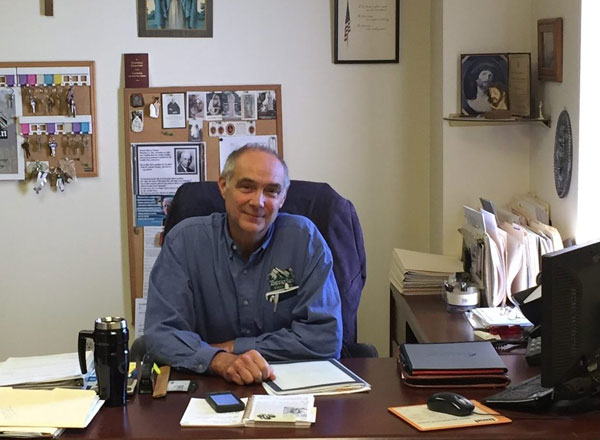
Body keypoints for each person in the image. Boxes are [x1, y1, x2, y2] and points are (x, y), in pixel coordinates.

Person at [145, 145, 342, 385]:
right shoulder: (184, 242)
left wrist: (234, 348)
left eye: (271, 191)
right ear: (223, 186)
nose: (258, 202)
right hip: (207, 387)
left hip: (291, 387)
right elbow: (161, 334)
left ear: (283, 198)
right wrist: (218, 360)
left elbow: (325, 338)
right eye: (246, 187)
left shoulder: (305, 240)